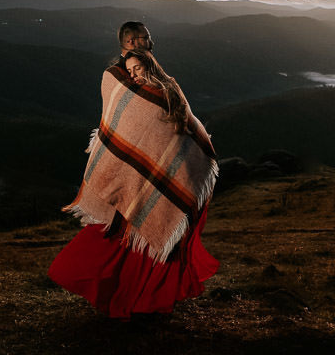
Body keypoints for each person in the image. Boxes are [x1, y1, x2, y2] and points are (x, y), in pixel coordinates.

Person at [48, 47, 218, 320]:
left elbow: (189, 127)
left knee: (161, 246)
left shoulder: (171, 90)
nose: (134, 75)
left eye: (138, 68)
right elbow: (123, 134)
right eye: (130, 71)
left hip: (172, 177)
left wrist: (198, 156)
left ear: (151, 66)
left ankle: (152, 302)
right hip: (138, 182)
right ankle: (125, 298)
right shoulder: (134, 98)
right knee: (123, 243)